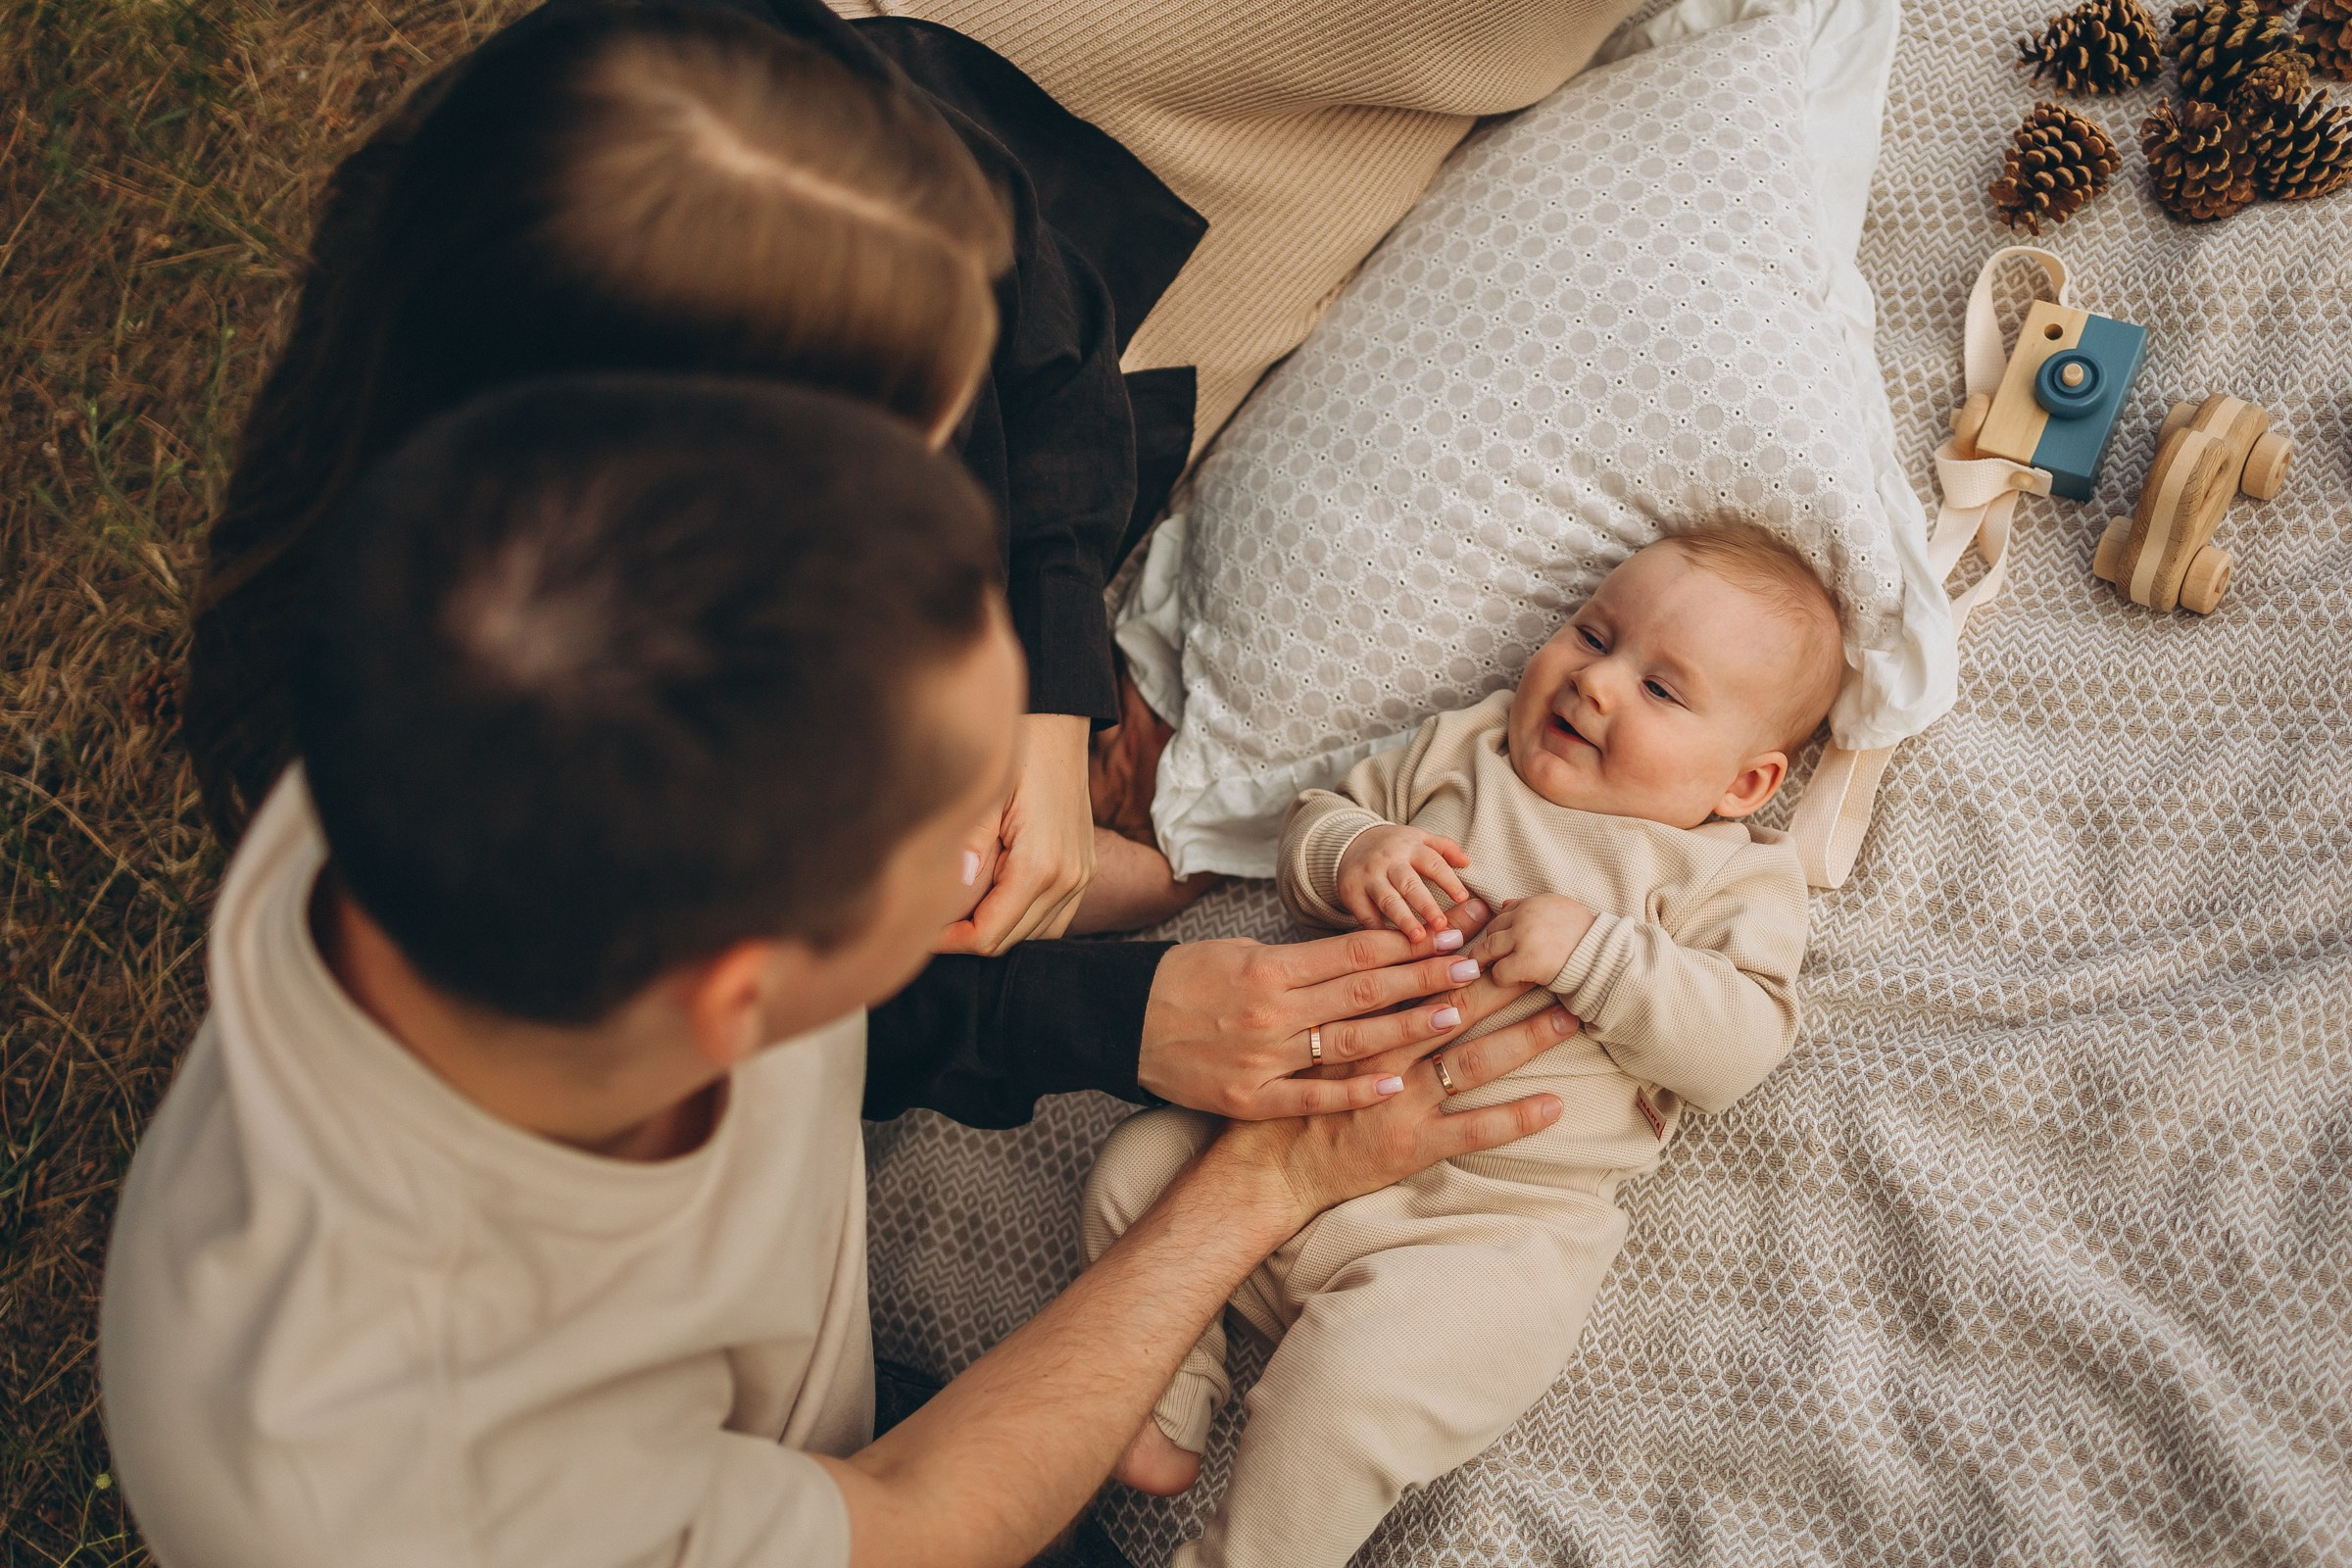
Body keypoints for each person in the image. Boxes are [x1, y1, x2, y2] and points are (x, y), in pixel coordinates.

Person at [100, 378, 1579, 1568]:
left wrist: (1138, 878)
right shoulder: (430, 1480)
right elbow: (922, 1524)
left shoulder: (457, 730)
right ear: (746, 1002)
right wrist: (1260, 1188)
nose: (1011, 853)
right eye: (954, 834)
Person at [175, 0, 1539, 1134]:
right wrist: (1094, 1017)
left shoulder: (733, 130)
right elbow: (758, 1017)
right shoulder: (578, 763)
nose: (987, 458)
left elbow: (1033, 312)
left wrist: (1051, 681)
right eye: (946, 455)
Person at [1080, 525, 1846, 1567]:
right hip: (1288, 1137)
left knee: (1354, 1387)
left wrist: (1603, 956)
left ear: (1746, 784)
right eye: (1592, 634)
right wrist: (1358, 851)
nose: (1597, 683)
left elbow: (1742, 1044)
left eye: (1663, 690)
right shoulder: (1468, 748)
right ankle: (1166, 1397)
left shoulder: (1727, 876)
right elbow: (1312, 825)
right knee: (1131, 1173)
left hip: (1490, 1225)